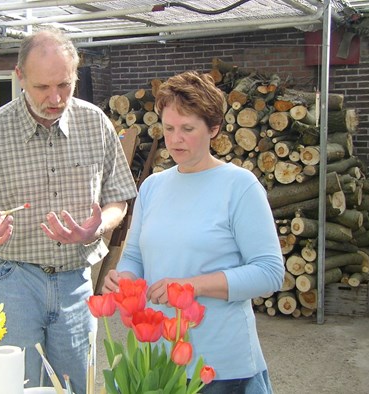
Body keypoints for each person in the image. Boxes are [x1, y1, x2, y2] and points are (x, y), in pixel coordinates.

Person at [0, 26, 137, 393]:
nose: (55, 98)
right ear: (19, 77)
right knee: (13, 384)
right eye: (42, 87)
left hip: (76, 281)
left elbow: (118, 200)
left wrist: (97, 228)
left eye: (64, 85)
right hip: (11, 280)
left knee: (76, 384)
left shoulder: (95, 123)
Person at [102, 71, 284, 394]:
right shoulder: (152, 187)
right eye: (169, 128)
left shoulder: (240, 187)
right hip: (160, 362)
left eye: (187, 129)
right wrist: (124, 279)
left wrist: (190, 287)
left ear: (213, 129)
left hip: (224, 366)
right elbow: (133, 256)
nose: (175, 139)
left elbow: (269, 273)